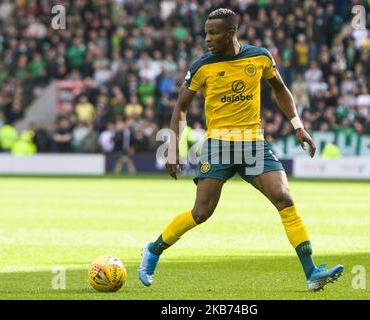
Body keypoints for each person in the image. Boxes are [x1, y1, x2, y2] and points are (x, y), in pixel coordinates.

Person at [138, 8, 344, 292]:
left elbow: (280, 88)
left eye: (214, 33)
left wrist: (297, 125)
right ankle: (153, 249)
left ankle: (311, 272)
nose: (207, 38)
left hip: (253, 143)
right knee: (202, 212)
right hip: (219, 145)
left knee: (284, 198)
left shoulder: (259, 56)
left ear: (231, 33)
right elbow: (180, 108)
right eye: (206, 33)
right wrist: (173, 148)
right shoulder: (202, 66)